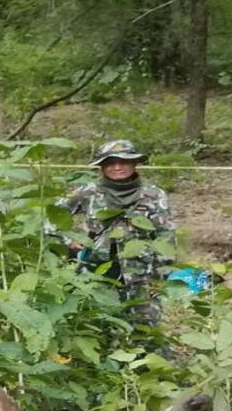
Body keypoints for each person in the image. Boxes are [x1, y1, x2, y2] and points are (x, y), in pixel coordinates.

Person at [50, 139, 175, 325]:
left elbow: (166, 236)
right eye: (110, 163)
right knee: (94, 326)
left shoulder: (154, 195)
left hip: (141, 275)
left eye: (124, 162)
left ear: (134, 163)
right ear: (101, 166)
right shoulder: (88, 192)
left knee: (144, 329)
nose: (117, 167)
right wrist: (68, 241)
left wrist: (162, 277)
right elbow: (51, 216)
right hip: (95, 274)